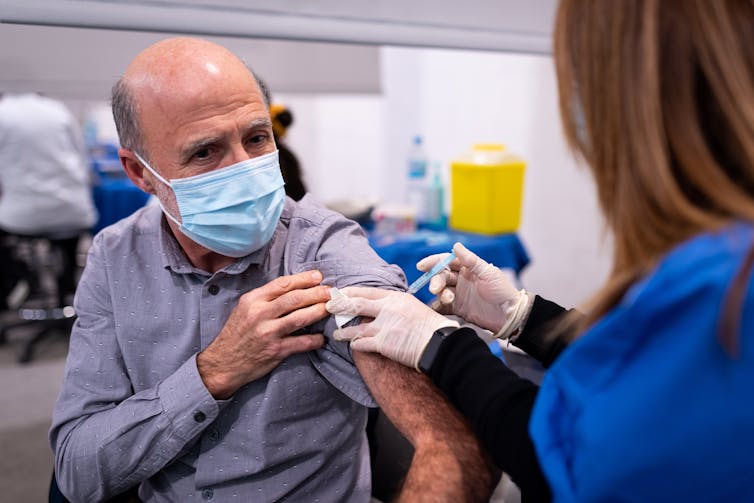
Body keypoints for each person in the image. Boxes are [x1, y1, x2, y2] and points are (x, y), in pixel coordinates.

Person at [326, 1, 754, 501]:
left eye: (578, 75)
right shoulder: (714, 257)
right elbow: (644, 383)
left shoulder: (726, 288)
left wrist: (444, 346)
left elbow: (572, 461)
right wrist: (524, 317)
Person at [49, 37, 497, 502]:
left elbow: (451, 438)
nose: (247, 170)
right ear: (139, 172)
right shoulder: (117, 255)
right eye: (205, 152)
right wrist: (213, 373)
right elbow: (77, 470)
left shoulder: (320, 247)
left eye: (257, 138)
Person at [0, 92, 98, 307]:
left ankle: (22, 282)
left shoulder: (3, 114)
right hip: (74, 211)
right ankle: (66, 293)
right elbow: (83, 159)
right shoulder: (57, 109)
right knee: (66, 238)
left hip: (22, 217)